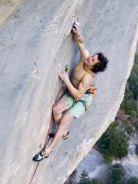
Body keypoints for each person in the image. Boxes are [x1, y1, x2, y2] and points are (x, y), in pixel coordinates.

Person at [33, 22, 108, 161]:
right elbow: (81, 43)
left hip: (83, 99)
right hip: (75, 92)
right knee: (56, 109)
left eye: (93, 59)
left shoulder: (87, 78)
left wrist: (66, 80)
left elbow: (79, 95)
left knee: (64, 121)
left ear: (95, 66)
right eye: (93, 56)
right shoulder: (85, 59)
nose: (90, 58)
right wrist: (77, 31)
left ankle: (47, 150)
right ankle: (63, 133)